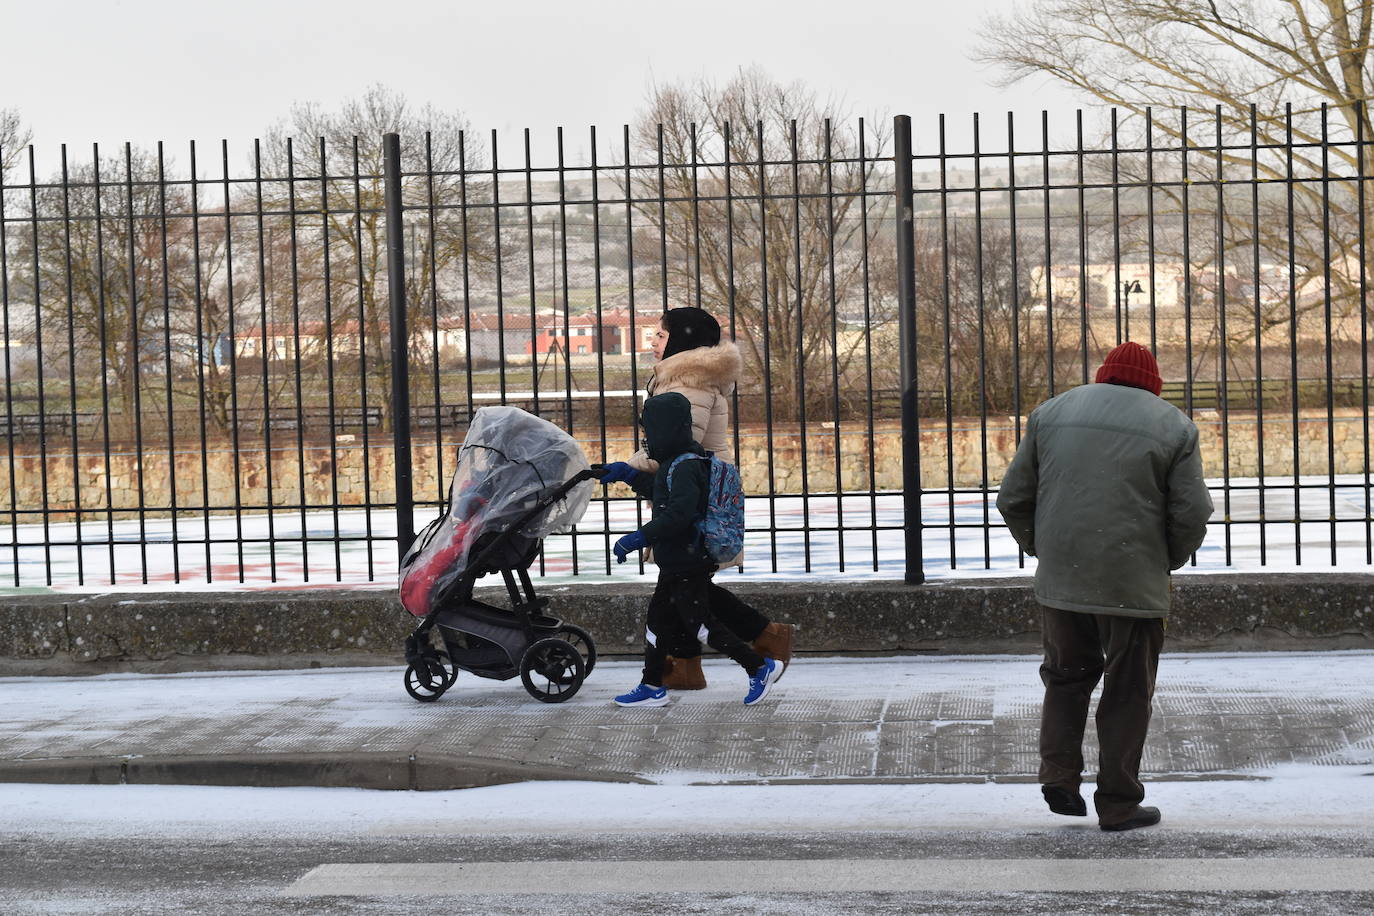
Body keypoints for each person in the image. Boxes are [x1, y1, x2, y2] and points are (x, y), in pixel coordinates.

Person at [995, 342, 1213, 832]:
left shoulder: (1051, 413)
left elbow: (1012, 498)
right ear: (1152, 383)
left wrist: (1044, 549)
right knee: (1128, 690)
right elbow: (1192, 512)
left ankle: (1059, 775)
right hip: (1133, 584)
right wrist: (1166, 560)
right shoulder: (1173, 425)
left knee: (1066, 677)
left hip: (1063, 575)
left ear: (1104, 376)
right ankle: (1117, 802)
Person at [624, 306, 794, 689]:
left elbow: (677, 444)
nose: (652, 342)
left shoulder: (689, 382)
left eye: (661, 335)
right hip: (691, 490)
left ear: (682, 341)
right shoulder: (684, 378)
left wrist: (626, 467)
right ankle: (685, 666)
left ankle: (760, 642)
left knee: (681, 584)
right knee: (684, 584)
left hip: (693, 497)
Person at [603, 392, 781, 708]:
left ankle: (758, 666)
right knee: (657, 623)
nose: (647, 438)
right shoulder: (680, 462)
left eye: (650, 431)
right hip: (676, 562)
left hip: (686, 561)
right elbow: (662, 493)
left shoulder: (684, 466)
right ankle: (651, 684)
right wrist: (626, 474)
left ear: (666, 430)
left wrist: (637, 538)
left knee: (700, 626)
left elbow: (678, 515)